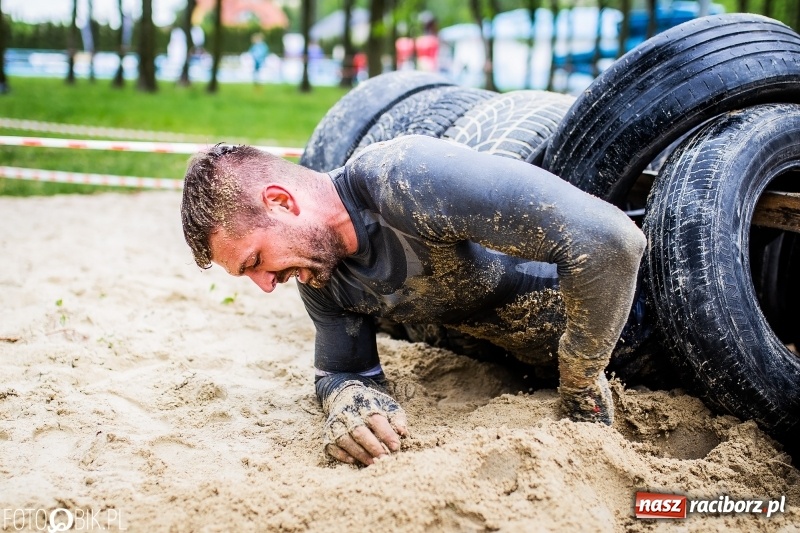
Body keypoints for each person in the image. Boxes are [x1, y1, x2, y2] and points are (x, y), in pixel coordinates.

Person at [180, 135, 647, 466]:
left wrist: (581, 377)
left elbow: (610, 242)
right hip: (525, 370)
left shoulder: (403, 180)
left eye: (256, 260)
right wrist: (351, 403)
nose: (265, 285)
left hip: (655, 336)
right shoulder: (321, 277)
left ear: (281, 201)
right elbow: (343, 370)